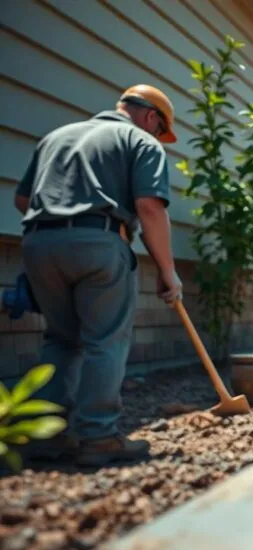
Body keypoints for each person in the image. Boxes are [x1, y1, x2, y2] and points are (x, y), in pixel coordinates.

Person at [13, 85, 184, 466]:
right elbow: (150, 208)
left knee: (60, 339)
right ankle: (97, 437)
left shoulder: (56, 137)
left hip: (39, 243)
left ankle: (47, 435)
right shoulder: (140, 141)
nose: (158, 137)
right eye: (160, 130)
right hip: (99, 244)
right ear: (152, 118)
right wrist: (168, 272)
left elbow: (22, 200)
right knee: (104, 340)